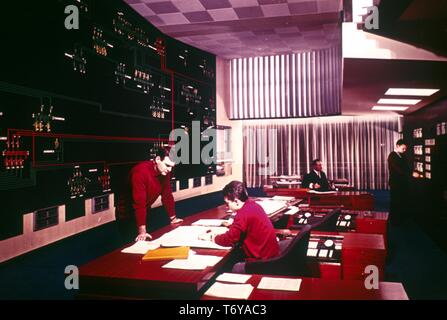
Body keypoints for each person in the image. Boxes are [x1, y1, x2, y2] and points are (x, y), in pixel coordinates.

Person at [199, 181, 280, 273]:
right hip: (271, 257)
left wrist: (211, 237)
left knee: (231, 267)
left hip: (261, 263)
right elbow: (244, 227)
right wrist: (232, 226)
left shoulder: (243, 214)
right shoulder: (252, 205)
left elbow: (229, 239)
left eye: (227, 203)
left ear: (236, 202)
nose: (226, 207)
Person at [129, 147, 183, 241]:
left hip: (143, 211)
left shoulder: (164, 172)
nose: (170, 170)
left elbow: (167, 196)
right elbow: (139, 203)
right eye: (167, 165)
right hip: (127, 212)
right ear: (158, 159)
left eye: (172, 166)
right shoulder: (140, 172)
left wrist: (173, 218)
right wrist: (142, 231)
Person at [388, 139, 417, 226]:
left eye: (405, 149)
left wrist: (412, 172)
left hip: (402, 182)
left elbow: (406, 167)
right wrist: (411, 174)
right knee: (396, 201)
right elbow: (397, 170)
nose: (404, 150)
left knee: (402, 200)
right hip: (395, 182)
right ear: (397, 146)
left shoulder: (402, 155)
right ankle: (395, 221)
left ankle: (401, 219)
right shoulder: (392, 156)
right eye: (403, 148)